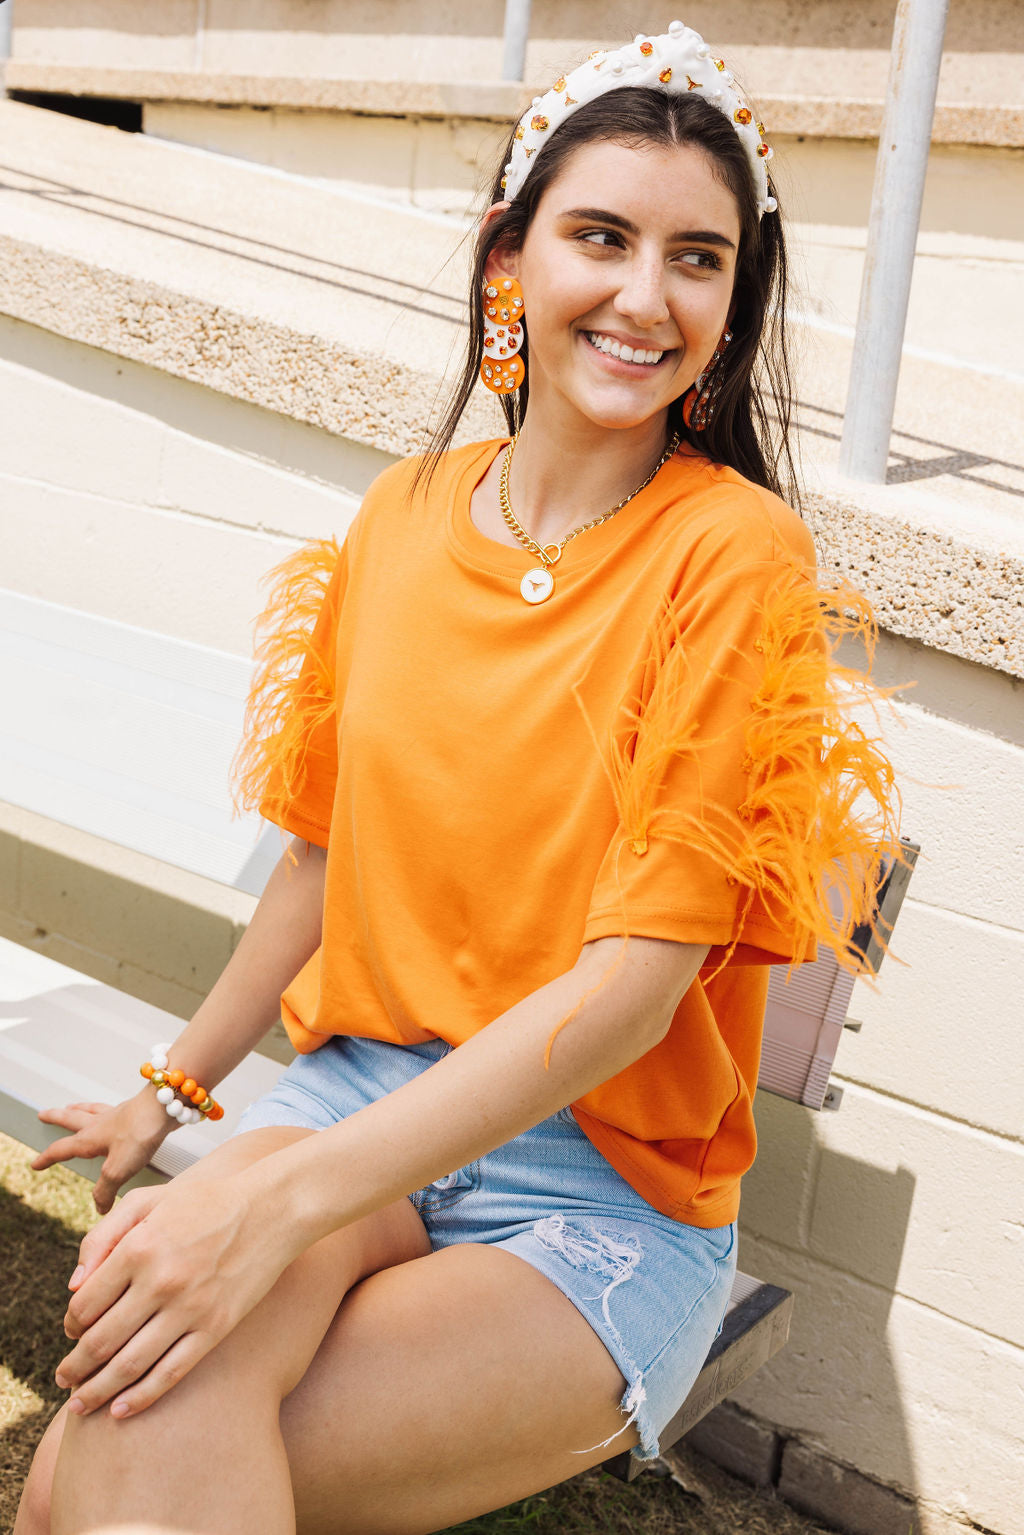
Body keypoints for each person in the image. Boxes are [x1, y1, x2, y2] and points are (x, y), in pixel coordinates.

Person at [16, 22, 905, 1535]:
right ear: (512, 257)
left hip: (597, 1187)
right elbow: (318, 854)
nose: (643, 296)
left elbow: (630, 992)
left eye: (698, 258)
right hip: (357, 1094)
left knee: (96, 1465)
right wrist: (179, 1092)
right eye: (601, 237)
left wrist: (270, 1199)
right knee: (132, 1429)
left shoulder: (733, 555)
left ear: (736, 301)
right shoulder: (404, 513)